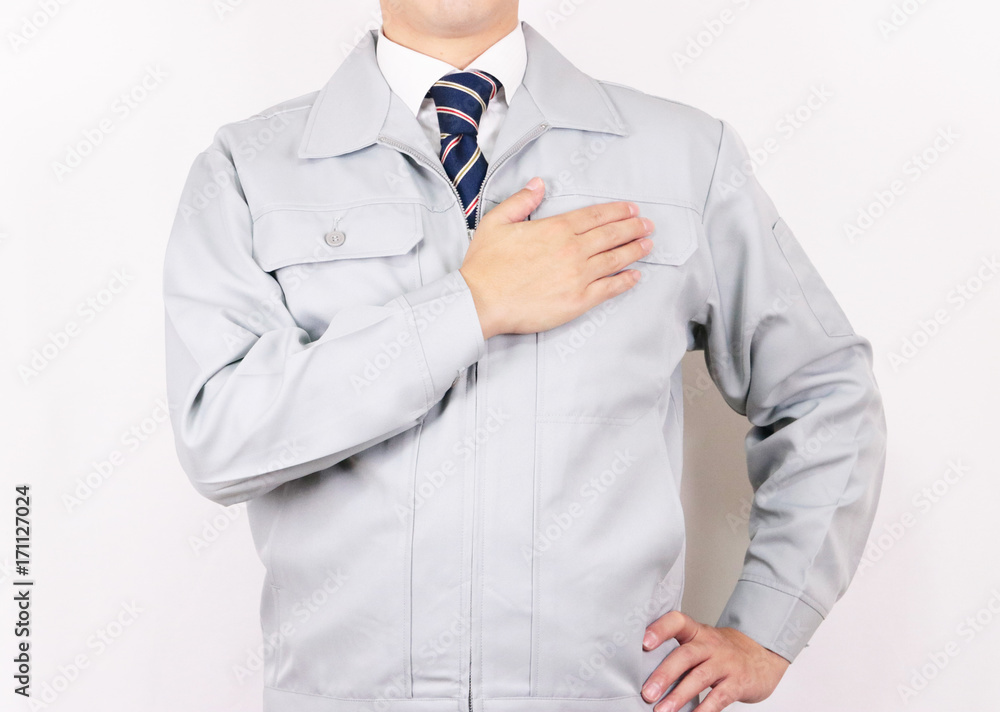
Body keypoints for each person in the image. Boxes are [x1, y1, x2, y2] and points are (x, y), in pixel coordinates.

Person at [162, 3, 887, 711]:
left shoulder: (686, 157)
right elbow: (220, 438)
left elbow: (826, 391)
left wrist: (767, 628)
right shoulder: (250, 169)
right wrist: (471, 304)